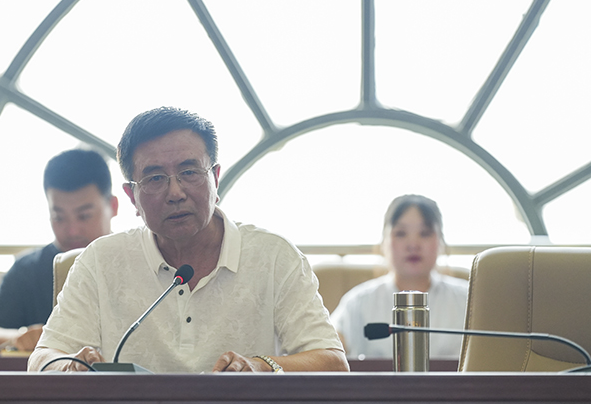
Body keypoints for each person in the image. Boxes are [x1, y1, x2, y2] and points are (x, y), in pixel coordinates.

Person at [28, 107, 348, 374]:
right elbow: (42, 358)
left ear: (215, 178)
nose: (175, 193)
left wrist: (262, 366)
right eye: (155, 178)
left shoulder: (274, 256)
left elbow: (332, 362)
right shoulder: (100, 260)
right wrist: (68, 367)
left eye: (190, 172)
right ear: (131, 196)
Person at [0, 149, 119, 353]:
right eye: (59, 217)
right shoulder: (29, 269)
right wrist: (22, 337)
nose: (72, 231)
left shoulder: (138, 260)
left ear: (113, 206)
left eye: (84, 216)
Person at [330, 194, 469, 359]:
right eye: (401, 233)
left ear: (441, 241)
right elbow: (330, 353)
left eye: (425, 233)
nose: (413, 244)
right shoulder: (358, 303)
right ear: (384, 242)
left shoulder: (469, 302)